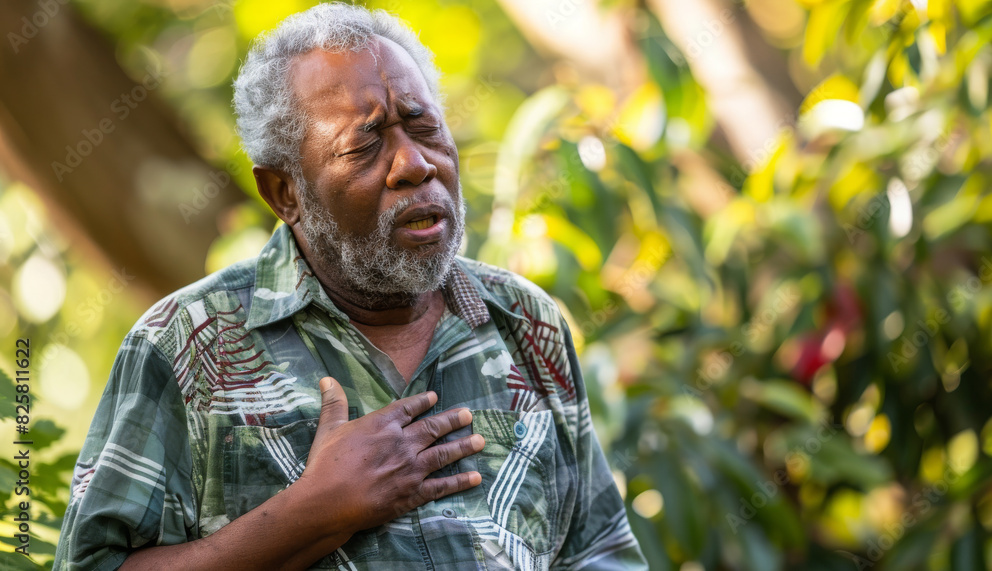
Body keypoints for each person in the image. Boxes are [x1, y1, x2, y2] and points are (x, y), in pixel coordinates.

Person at [54, 3, 648, 570]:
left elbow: (598, 552)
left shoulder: (525, 321)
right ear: (285, 192)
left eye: (424, 127)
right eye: (364, 145)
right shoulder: (187, 344)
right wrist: (313, 513)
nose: (415, 164)